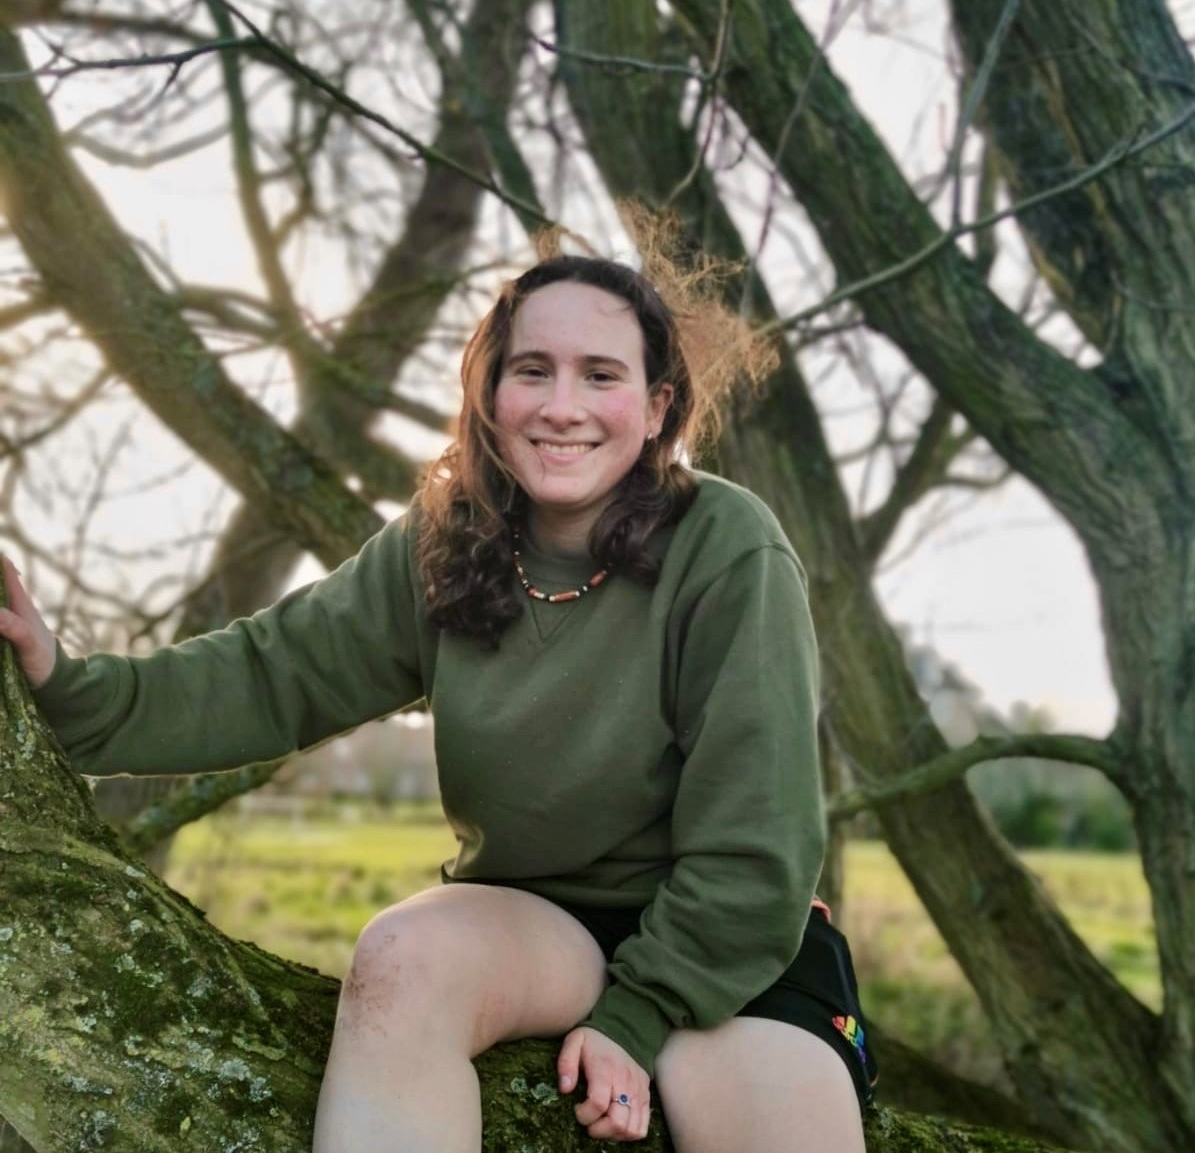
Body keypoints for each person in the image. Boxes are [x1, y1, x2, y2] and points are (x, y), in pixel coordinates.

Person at [0, 252, 877, 1152]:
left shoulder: (728, 546)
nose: (560, 405)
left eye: (600, 375)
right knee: (400, 959)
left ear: (656, 408)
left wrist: (637, 1016)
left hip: (729, 947)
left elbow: (757, 837)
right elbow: (271, 674)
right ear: (490, 393)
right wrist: (67, 689)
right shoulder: (446, 536)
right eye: (530, 370)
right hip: (538, 922)